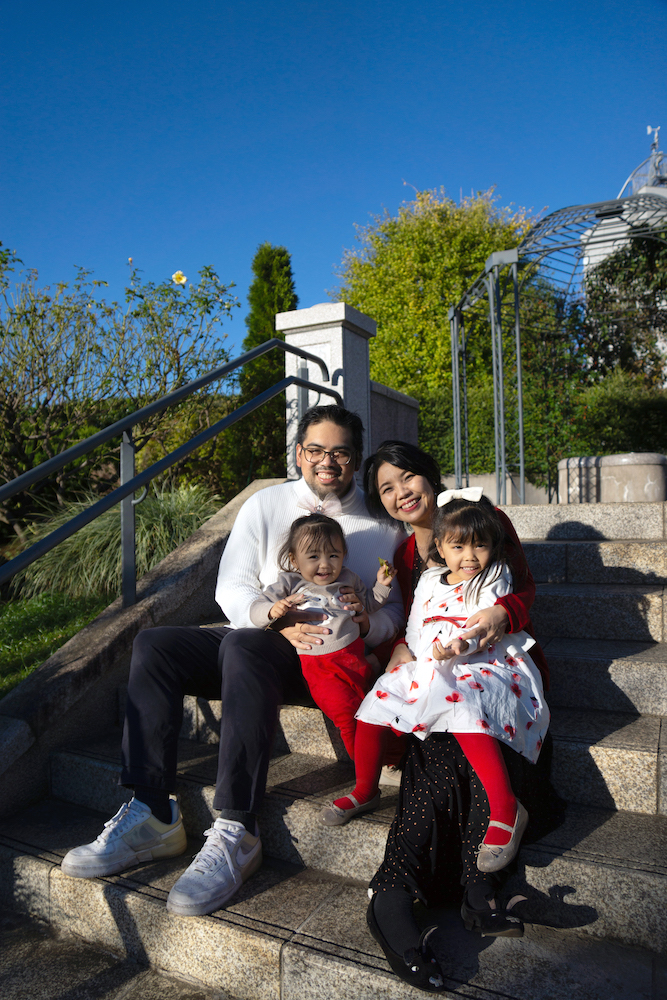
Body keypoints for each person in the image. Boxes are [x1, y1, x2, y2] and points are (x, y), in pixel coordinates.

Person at [61, 405, 404, 918]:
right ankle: (152, 811)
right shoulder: (266, 504)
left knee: (242, 646)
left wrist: (367, 622)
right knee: (155, 644)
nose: (326, 462)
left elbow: (395, 609)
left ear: (356, 459)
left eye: (340, 452)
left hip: (325, 658)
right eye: (315, 450)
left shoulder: (381, 524)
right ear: (299, 453)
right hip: (263, 631)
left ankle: (237, 828)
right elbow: (232, 585)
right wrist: (273, 616)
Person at [359, 441, 557, 993]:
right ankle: (403, 889)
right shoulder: (404, 559)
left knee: (474, 724)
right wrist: (400, 650)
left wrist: (501, 611)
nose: (402, 494)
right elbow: (413, 626)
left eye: (408, 479)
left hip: (498, 673)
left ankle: (475, 888)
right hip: (440, 676)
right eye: (387, 489)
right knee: (444, 744)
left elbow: (521, 592)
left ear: (429, 477)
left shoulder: (483, 521)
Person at [355, 488, 549, 873]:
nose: (470, 556)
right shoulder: (428, 581)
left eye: (480, 545)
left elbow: (482, 627)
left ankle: (507, 807)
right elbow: (414, 624)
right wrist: (406, 654)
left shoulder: (494, 576)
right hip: (432, 660)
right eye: (458, 547)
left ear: (494, 547)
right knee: (377, 699)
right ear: (440, 548)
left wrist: (461, 644)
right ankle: (365, 788)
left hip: (486, 661)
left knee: (461, 702)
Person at [249, 510, 397, 822]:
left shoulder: (349, 579)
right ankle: (365, 773)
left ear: (344, 555)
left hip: (356, 657)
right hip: (321, 667)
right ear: (293, 558)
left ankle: (392, 756)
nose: (325, 564)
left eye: (333, 554)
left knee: (371, 709)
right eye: (313, 556)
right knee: (345, 713)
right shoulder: (290, 583)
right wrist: (273, 610)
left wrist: (381, 585)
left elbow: (369, 603)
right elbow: (256, 609)